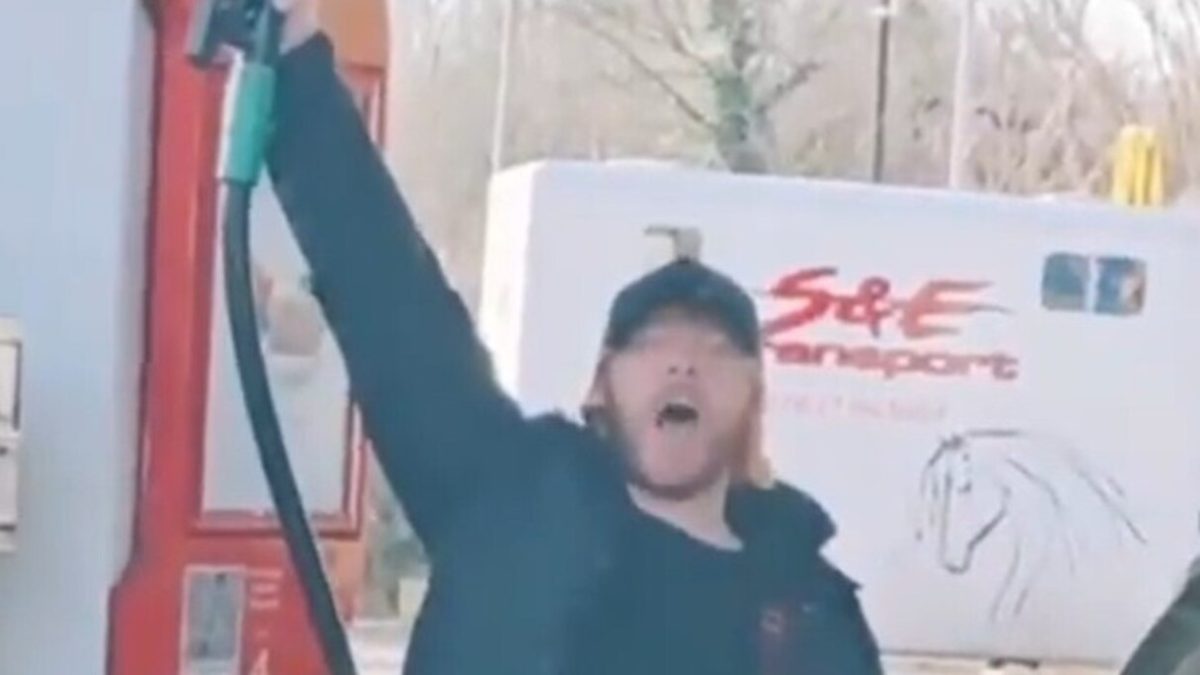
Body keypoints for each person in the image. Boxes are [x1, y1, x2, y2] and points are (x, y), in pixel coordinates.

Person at [264, 1, 884, 673]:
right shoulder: (509, 500)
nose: (683, 364)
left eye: (716, 351)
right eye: (652, 344)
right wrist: (295, 56)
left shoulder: (809, 609)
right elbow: (388, 293)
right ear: (600, 385)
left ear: (753, 400)